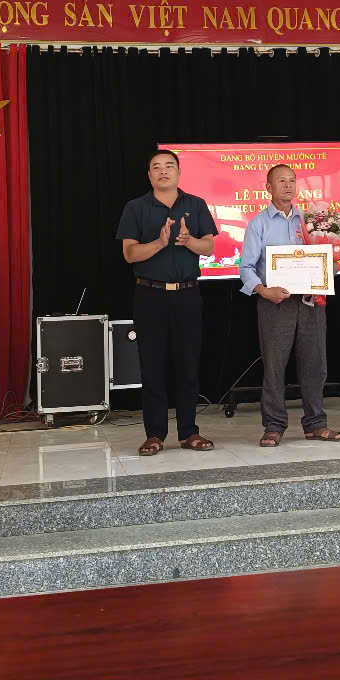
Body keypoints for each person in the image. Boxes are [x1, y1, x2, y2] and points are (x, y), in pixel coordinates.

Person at [116, 150, 218, 456]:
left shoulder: (196, 204)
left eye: (169, 166)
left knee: (188, 364)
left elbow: (209, 247)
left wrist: (189, 241)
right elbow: (130, 254)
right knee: (152, 365)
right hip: (150, 295)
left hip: (187, 295)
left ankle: (189, 432)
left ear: (179, 172)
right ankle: (155, 434)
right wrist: (160, 243)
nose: (163, 171)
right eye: (156, 167)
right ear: (149, 174)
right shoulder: (135, 207)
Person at [239, 164, 340, 447]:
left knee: (315, 363)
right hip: (275, 303)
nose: (288, 186)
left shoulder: (312, 222)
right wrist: (264, 290)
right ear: (268, 188)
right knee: (275, 366)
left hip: (311, 302)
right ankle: (274, 426)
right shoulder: (258, 223)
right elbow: (246, 268)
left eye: (292, 181)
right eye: (281, 181)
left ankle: (315, 423)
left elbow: (325, 259)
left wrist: (330, 265)